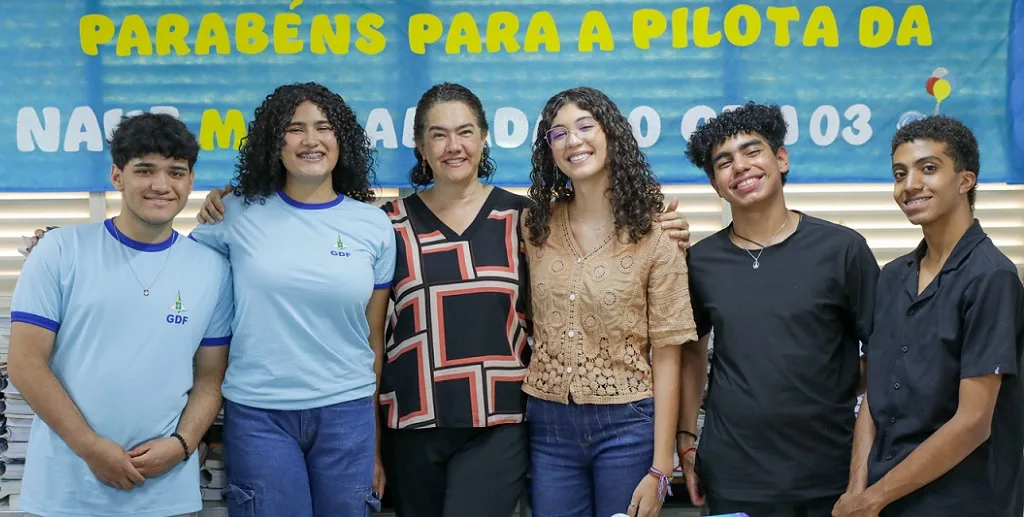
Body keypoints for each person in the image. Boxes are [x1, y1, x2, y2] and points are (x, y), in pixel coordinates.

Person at [195, 82, 693, 517]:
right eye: (438, 134)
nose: (453, 146)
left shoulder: (528, 219)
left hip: (500, 421)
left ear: (483, 139)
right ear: (419, 146)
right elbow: (368, 330)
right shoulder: (384, 222)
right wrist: (232, 198)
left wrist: (662, 224)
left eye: (465, 132)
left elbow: (598, 224)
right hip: (411, 422)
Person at [182, 82, 396, 517]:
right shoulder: (233, 213)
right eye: (295, 128)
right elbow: (173, 273)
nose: (311, 140)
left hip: (346, 415)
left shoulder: (373, 226)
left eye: (323, 128)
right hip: (259, 415)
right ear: (273, 141)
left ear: (343, 140)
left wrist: (373, 444)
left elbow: (372, 340)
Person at [7, 113, 233, 517]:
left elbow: (210, 377)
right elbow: (26, 364)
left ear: (190, 181)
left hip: (166, 491)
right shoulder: (60, 251)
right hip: (67, 490)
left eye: (176, 172)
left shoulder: (212, 267)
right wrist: (91, 449)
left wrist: (181, 445)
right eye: (145, 170)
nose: (161, 185)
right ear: (117, 175)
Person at [680, 102, 879, 516]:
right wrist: (685, 439)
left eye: (752, 152)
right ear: (716, 185)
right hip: (734, 475)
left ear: (781, 159)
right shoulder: (700, 262)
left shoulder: (842, 250)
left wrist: (835, 383)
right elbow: (690, 351)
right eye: (724, 162)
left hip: (828, 473)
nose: (740, 167)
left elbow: (883, 354)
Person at [521, 86, 699, 517]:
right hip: (547, 427)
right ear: (550, 151)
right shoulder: (535, 225)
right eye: (558, 134)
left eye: (585, 126)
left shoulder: (656, 235)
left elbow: (668, 354)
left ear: (611, 135)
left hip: (628, 425)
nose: (573, 141)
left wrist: (661, 468)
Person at [833, 116, 1024, 517]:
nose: (910, 185)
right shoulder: (893, 276)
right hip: (884, 496)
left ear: (965, 180)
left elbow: (974, 422)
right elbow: (876, 394)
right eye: (900, 174)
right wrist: (856, 488)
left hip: (962, 499)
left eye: (929, 169)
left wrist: (873, 498)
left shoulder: (992, 278)